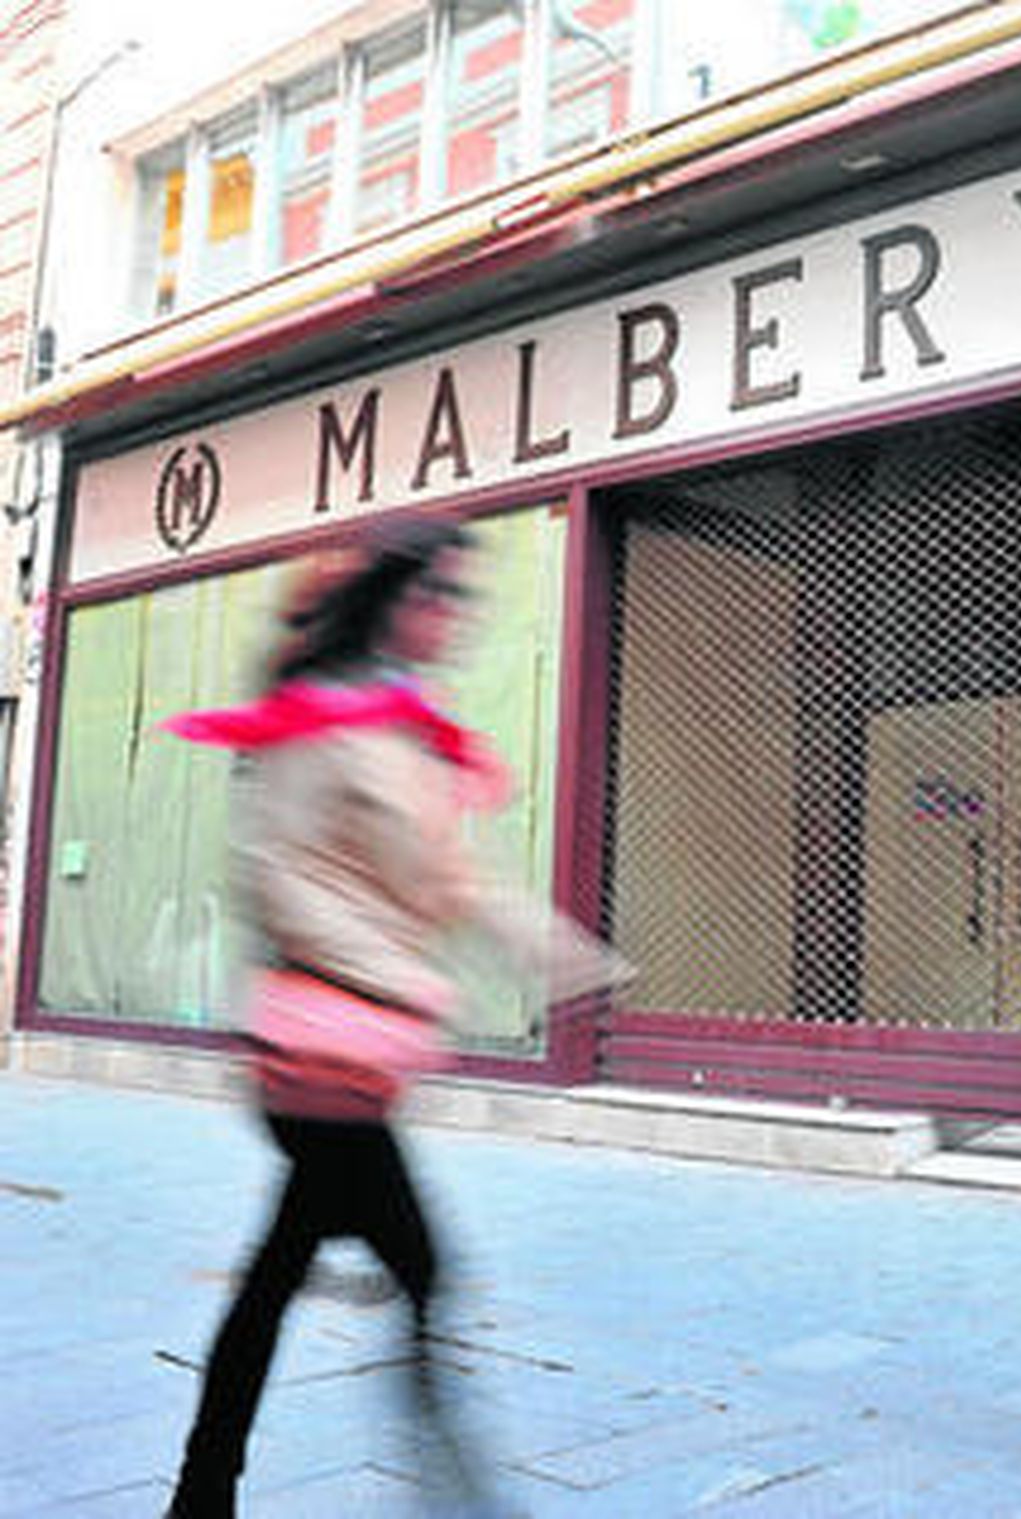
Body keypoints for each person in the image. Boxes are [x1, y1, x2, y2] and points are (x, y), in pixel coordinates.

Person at [161, 517, 628, 1518]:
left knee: (285, 1268)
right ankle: (450, 1489)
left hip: (360, 1050)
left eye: (462, 598)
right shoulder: (317, 715)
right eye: (437, 593)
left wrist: (569, 957)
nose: (453, 615)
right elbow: (271, 872)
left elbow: (460, 882)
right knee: (417, 1261)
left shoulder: (406, 728)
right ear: (390, 596)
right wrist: (390, 976)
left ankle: (205, 1493)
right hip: (314, 1048)